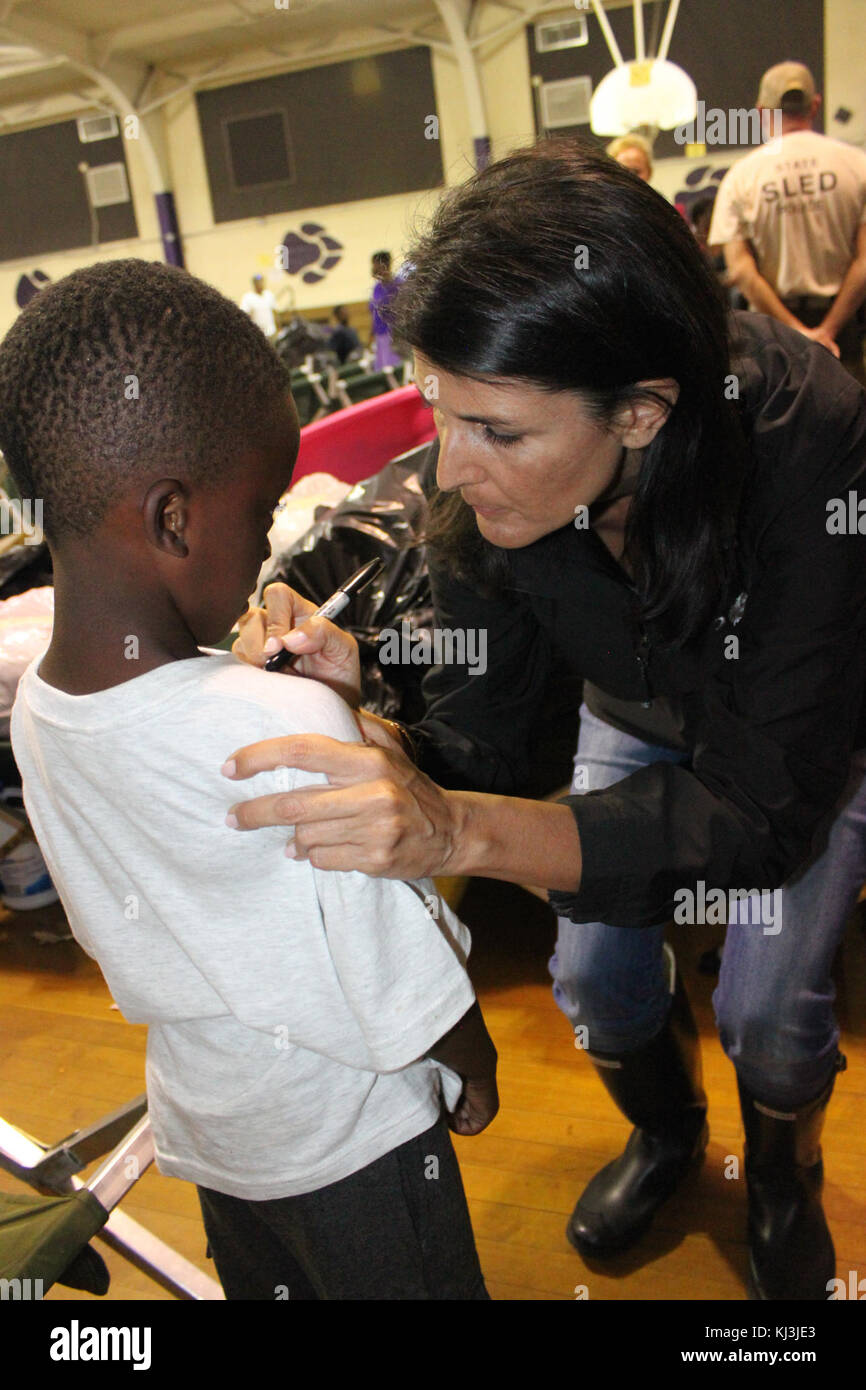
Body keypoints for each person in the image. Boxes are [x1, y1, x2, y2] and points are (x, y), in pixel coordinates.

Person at [222, 141, 866, 1303]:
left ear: (638, 413)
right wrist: (354, 689)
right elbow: (488, 746)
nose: (447, 470)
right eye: (438, 410)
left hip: (797, 731)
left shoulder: (811, 447)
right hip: (638, 704)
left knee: (770, 1013)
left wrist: (455, 832)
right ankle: (669, 1136)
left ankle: (777, 1172)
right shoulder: (490, 493)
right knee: (594, 983)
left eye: (496, 432)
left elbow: (757, 814)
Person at [0, 259, 497, 1302]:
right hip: (352, 1139)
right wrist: (473, 1053)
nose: (272, 538)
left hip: (213, 1133)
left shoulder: (39, 709)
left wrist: (317, 698)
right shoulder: (279, 721)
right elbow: (388, 955)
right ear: (174, 519)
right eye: (264, 509)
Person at [710, 61, 866, 384]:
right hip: (843, 325)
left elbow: (740, 270)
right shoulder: (857, 164)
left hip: (771, 330)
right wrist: (828, 330)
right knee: (850, 425)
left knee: (780, 428)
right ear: (815, 104)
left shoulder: (742, 175)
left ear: (762, 112)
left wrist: (797, 331)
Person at [369, 251, 402, 370]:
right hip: (380, 338)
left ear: (384, 264)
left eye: (375, 264)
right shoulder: (377, 287)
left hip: (394, 337)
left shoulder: (398, 286)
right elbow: (374, 314)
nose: (372, 268)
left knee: (395, 373)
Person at [240, 273, 279, 338]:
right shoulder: (248, 297)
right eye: (258, 282)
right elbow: (245, 315)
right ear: (254, 284)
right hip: (258, 334)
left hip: (271, 332)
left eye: (261, 282)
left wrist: (278, 329)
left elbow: (275, 312)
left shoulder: (269, 295)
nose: (260, 284)